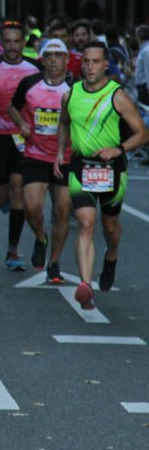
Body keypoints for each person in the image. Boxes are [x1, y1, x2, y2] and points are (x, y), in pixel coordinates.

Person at [55, 42, 147, 310]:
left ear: (106, 64)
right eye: (86, 61)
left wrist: (118, 149)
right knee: (85, 223)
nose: (90, 67)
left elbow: (143, 133)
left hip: (112, 170)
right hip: (81, 167)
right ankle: (86, 285)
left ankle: (112, 256)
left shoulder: (116, 95)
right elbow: (64, 122)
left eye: (96, 62)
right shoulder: (70, 95)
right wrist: (61, 151)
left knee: (109, 227)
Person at [0, 22, 40, 270]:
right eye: (8, 42)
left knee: (17, 189)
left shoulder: (35, 68)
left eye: (17, 42)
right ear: (2, 43)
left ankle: (12, 249)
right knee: (1, 192)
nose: (12, 47)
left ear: (23, 43)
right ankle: (5, 202)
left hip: (23, 136)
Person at [8, 39, 73, 282]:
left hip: (66, 156)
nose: (54, 60)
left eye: (59, 55)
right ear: (42, 59)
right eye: (50, 56)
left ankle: (54, 263)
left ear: (66, 59)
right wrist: (21, 123)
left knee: (63, 211)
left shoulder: (75, 87)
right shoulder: (29, 83)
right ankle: (40, 237)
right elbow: (12, 107)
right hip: (35, 153)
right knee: (31, 207)